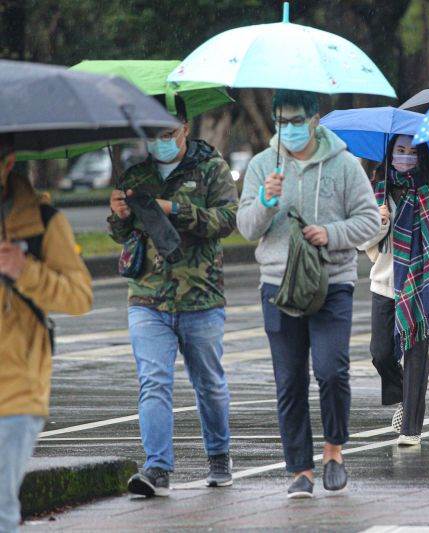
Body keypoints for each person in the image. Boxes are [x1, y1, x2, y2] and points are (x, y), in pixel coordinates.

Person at [237, 90, 380, 498]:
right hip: (278, 285)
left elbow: (369, 220)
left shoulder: (345, 164)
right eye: (282, 122)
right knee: (289, 380)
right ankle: (300, 468)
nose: (290, 129)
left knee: (332, 369)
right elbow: (246, 227)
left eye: (297, 120)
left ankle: (334, 450)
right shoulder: (263, 165)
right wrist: (266, 200)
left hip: (331, 281)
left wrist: (331, 234)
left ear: (315, 119)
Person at [108, 98, 239, 496]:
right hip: (147, 297)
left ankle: (219, 455)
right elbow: (121, 235)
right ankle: (157, 467)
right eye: (153, 135)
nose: (161, 142)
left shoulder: (211, 167)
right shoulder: (136, 174)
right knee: (153, 381)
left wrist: (175, 209)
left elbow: (227, 221)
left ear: (185, 127)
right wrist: (119, 215)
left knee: (209, 385)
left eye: (168, 133)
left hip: (200, 297)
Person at [0, 134, 92, 531]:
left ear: (8, 163)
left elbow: (78, 297)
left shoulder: (43, 224)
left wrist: (25, 270)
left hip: (15, 390)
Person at [359, 135, 429, 446]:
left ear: (421, 157)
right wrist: (380, 222)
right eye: (400, 150)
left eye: (412, 152)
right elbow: (362, 243)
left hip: (421, 283)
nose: (406, 157)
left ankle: (411, 427)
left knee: (416, 356)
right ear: (390, 153)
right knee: (380, 354)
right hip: (384, 283)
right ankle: (400, 396)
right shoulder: (376, 191)